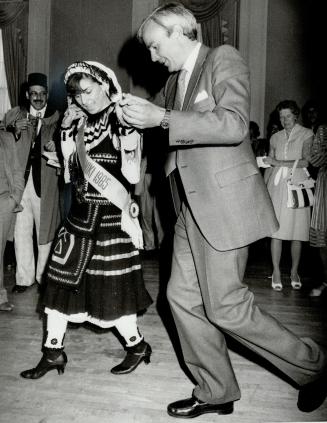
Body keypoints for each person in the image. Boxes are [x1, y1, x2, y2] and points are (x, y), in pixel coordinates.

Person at [118, 3, 327, 417]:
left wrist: (161, 117)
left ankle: (315, 367)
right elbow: (156, 116)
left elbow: (233, 123)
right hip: (188, 207)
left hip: (223, 204)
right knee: (179, 298)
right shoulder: (175, 81)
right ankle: (216, 390)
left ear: (180, 31)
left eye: (156, 47)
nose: (153, 57)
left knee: (227, 306)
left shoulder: (221, 59)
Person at [20, 61, 152, 380]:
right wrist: (66, 131)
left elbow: (132, 175)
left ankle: (137, 346)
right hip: (79, 218)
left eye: (89, 91)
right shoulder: (78, 123)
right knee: (59, 287)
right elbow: (72, 176)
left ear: (105, 85)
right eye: (77, 94)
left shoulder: (121, 117)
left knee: (111, 291)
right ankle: (53, 352)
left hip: (110, 218)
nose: (84, 99)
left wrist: (130, 142)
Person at [2, 73, 61, 293]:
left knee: (45, 231)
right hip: (20, 184)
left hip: (45, 184)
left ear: (47, 95)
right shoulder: (16, 116)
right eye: (33, 94)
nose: (37, 98)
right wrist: (14, 132)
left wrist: (58, 147)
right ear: (27, 95)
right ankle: (24, 278)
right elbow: (2, 139)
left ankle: (43, 278)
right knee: (21, 230)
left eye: (42, 94)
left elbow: (69, 143)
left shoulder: (58, 119)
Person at [264, 100, 314, 291]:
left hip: (297, 185)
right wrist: (264, 188)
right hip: (276, 186)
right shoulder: (275, 137)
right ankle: (276, 271)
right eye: (281, 116)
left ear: (296, 115)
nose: (284, 120)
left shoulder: (306, 133)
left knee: (296, 232)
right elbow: (269, 164)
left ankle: (294, 271)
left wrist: (277, 161)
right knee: (276, 232)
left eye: (288, 115)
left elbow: (306, 162)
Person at [0, 130, 24, 311]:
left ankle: (0, 297)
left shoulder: (6, 137)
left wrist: (15, 198)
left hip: (4, 202)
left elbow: (17, 170)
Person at [308, 124, 327, 296]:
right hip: (325, 182)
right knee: (322, 236)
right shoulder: (323, 130)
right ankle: (326, 281)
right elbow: (314, 159)